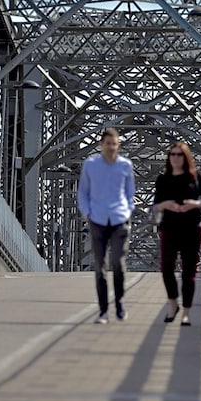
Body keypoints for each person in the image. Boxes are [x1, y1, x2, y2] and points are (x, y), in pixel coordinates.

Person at [77, 128, 135, 324]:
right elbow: (83, 192)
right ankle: (103, 311)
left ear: (118, 145)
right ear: (101, 144)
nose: (111, 147)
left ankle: (119, 303)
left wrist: (127, 212)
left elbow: (130, 194)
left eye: (114, 144)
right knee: (100, 266)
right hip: (98, 219)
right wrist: (88, 213)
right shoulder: (90, 165)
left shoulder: (126, 166)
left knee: (118, 264)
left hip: (119, 219)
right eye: (108, 143)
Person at [153, 141, 201, 326]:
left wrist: (193, 204)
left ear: (186, 157)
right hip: (169, 227)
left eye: (180, 155)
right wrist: (166, 205)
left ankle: (185, 312)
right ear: (169, 158)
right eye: (173, 154)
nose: (176, 158)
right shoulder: (163, 179)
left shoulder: (195, 177)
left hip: (191, 228)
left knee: (188, 273)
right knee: (166, 268)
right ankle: (173, 303)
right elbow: (155, 206)